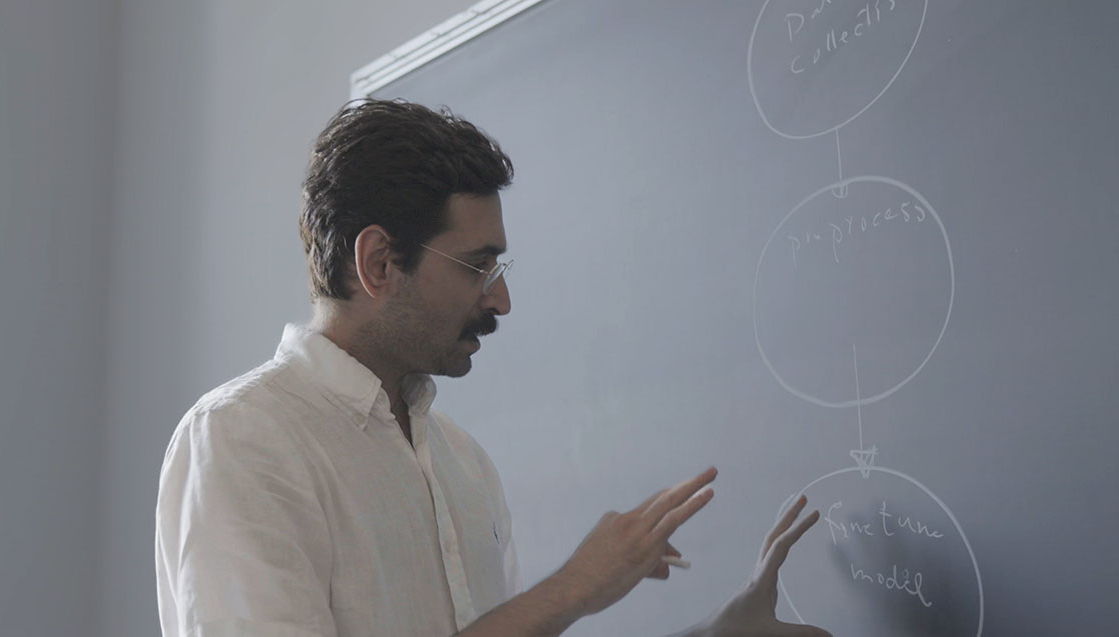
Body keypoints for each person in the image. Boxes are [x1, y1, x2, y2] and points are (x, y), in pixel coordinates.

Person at [155, 99, 831, 637]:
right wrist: (573, 589)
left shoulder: (462, 464)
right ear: (380, 264)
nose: (501, 297)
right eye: (478, 265)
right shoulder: (244, 441)